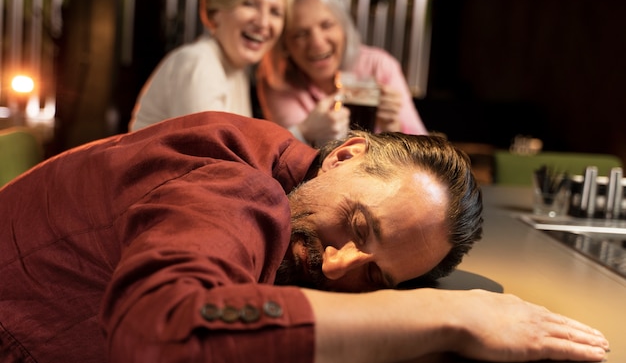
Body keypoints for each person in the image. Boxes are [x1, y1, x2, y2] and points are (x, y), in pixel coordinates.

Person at [0, 111, 609, 363]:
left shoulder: (273, 157)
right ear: (347, 154)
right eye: (360, 227)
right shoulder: (243, 189)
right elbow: (164, 328)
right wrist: (443, 312)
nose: (341, 264)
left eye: (375, 273)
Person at [256, 0, 429, 147]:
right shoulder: (275, 78)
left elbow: (426, 152)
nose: (317, 43)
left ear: (344, 26)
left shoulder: (380, 66)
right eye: (300, 34)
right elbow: (286, 158)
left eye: (327, 25)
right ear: (284, 44)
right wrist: (306, 131)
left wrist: (395, 130)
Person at [128, 0, 289, 131]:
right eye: (249, 4)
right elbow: (215, 153)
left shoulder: (235, 70)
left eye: (275, 12)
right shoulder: (199, 62)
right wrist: (303, 131)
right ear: (215, 10)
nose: (263, 23)